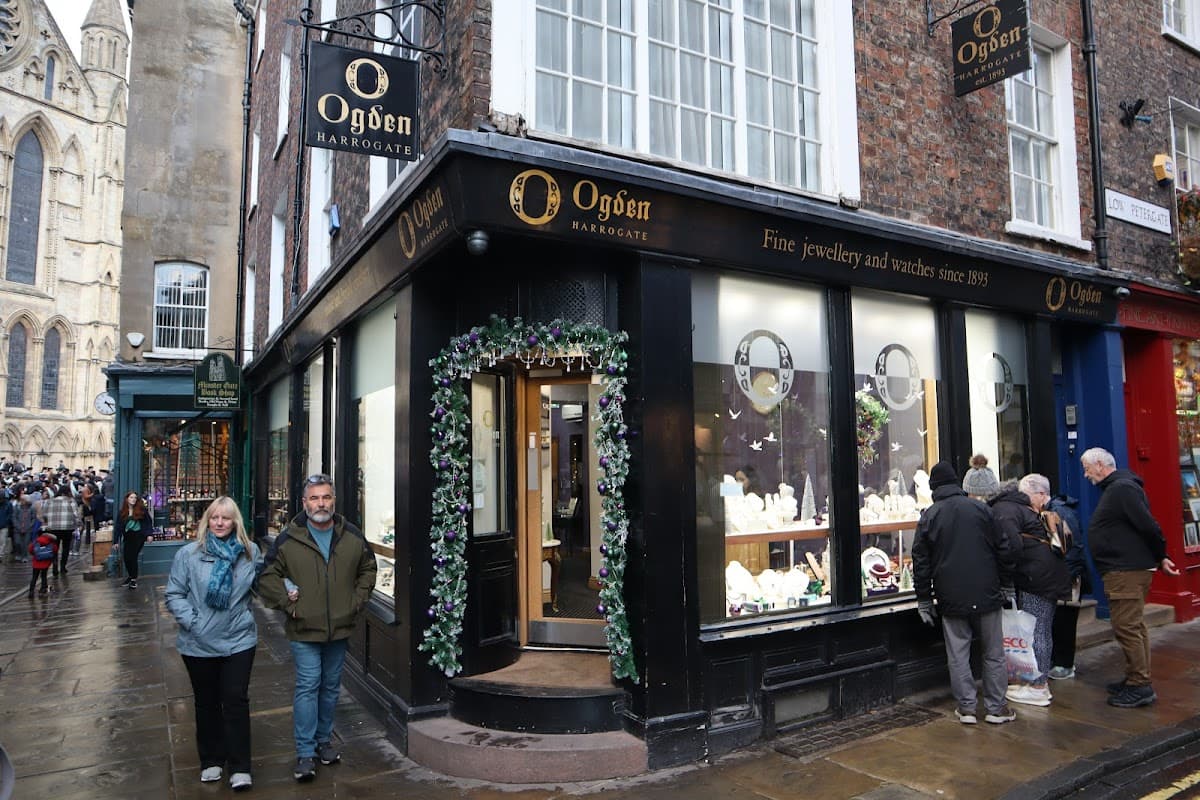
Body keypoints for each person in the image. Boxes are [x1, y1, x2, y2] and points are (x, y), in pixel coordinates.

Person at [258, 474, 377, 782]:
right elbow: (267, 576)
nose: (320, 503)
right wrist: (288, 602)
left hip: (340, 626)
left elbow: (368, 568)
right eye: (314, 498)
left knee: (330, 687)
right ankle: (305, 753)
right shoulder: (289, 537)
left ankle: (324, 742)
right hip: (304, 627)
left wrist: (356, 601)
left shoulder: (350, 534)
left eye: (325, 497)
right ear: (304, 502)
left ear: (333, 501)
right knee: (309, 685)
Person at [165, 497, 261, 792]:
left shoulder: (250, 552)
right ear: (207, 520)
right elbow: (174, 594)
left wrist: (291, 588)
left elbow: (269, 580)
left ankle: (240, 766)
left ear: (236, 523)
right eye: (215, 517)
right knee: (207, 703)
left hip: (239, 639)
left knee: (235, 699)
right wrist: (193, 622)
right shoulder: (189, 554)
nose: (220, 523)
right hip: (198, 642)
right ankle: (211, 760)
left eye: (227, 518)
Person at [912, 461, 1018, 725]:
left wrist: (924, 599)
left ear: (934, 488)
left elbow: (921, 562)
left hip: (951, 595)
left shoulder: (930, 515)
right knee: (993, 653)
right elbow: (1003, 549)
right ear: (957, 483)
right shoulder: (982, 510)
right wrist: (1006, 583)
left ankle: (967, 708)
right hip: (987, 592)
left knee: (957, 654)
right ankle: (996, 708)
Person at [1080, 447, 1180, 708]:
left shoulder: (1122, 489)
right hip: (1125, 570)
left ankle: (1140, 685)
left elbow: (1148, 525)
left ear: (1100, 465)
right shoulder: (1119, 488)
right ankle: (1136, 678)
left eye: (1087, 468)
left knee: (1126, 626)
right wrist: (1160, 557)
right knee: (1134, 626)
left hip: (1126, 571)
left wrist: (1162, 556)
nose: (1085, 474)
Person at [990, 475, 1072, 707]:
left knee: (1037, 630)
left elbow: (1010, 546)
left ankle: (1038, 687)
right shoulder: (1022, 509)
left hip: (1036, 578)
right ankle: (1037, 681)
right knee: (1041, 629)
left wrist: (1005, 578)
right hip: (1047, 575)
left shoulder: (1004, 510)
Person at [1046, 492, 1085, 680]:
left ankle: (1064, 665)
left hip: (1067, 577)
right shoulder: (1056, 510)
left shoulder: (1058, 511)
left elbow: (1070, 547)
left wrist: (1067, 577)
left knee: (1064, 621)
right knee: (1061, 620)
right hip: (1065, 575)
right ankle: (1060, 662)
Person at [40, 483, 79, 577]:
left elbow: (44, 514)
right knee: (66, 547)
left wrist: (48, 521)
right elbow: (76, 515)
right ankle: (63, 566)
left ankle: (54, 566)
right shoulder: (71, 501)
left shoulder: (50, 501)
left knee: (54, 547)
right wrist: (78, 525)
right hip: (67, 527)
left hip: (53, 528)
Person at [119, 491, 150, 589]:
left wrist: (149, 534)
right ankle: (130, 576)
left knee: (133, 557)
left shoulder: (141, 510)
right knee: (126, 558)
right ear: (127, 499)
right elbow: (118, 526)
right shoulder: (123, 511)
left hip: (138, 536)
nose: (133, 499)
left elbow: (148, 522)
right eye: (131, 497)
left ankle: (133, 579)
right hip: (128, 536)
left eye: (135, 498)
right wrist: (115, 541)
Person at [28, 521, 55, 597]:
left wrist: (35, 554)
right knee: (44, 576)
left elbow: (30, 549)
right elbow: (54, 549)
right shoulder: (50, 541)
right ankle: (43, 590)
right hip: (45, 563)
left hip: (36, 563)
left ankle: (31, 591)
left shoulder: (36, 541)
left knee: (34, 577)